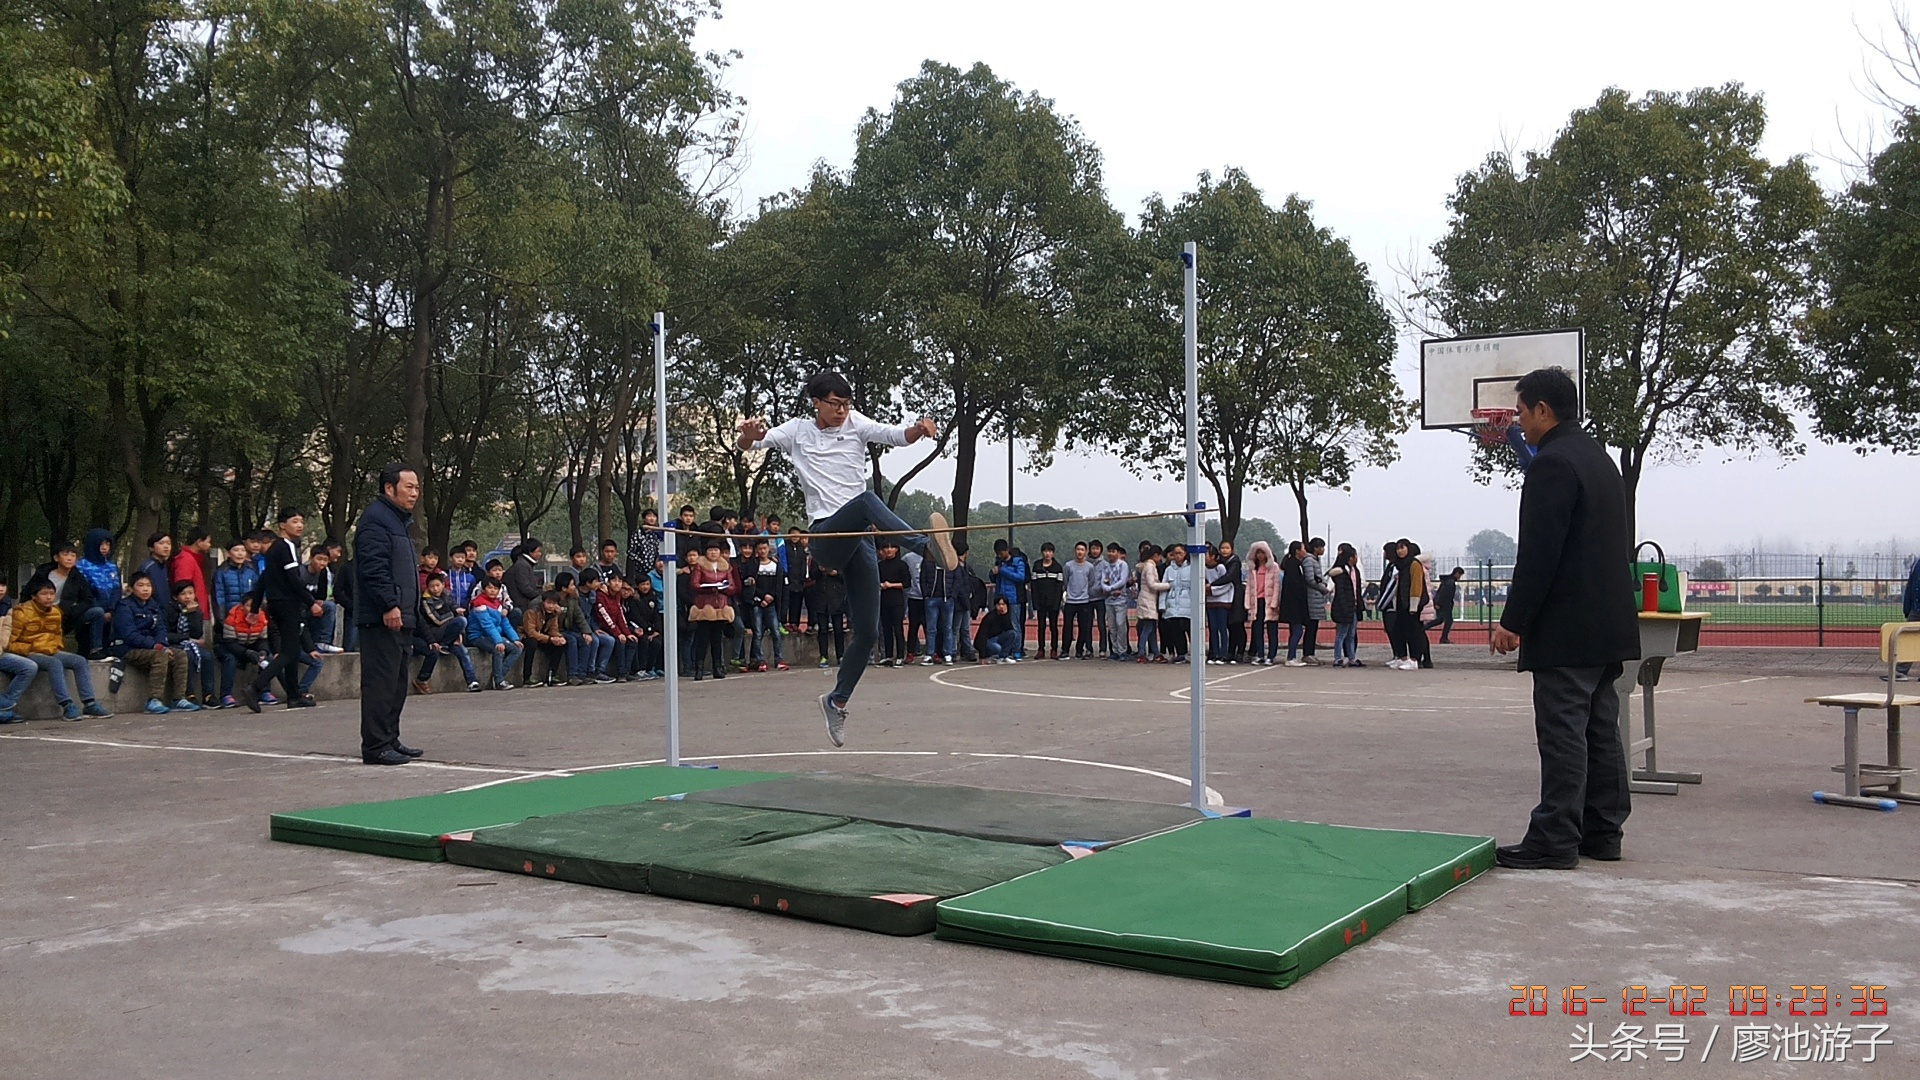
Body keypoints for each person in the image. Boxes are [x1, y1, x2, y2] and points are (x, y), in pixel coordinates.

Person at [737, 370, 957, 746]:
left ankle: (836, 700)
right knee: (869, 500)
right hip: (826, 534)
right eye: (835, 404)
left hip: (860, 541)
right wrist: (751, 434)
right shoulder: (796, 431)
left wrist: (919, 429)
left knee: (868, 631)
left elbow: (894, 435)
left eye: (846, 404)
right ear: (816, 403)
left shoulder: (856, 423)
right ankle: (925, 547)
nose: (842, 411)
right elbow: (750, 445)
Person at [1490, 367, 1639, 871]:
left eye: (1521, 412)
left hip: (1567, 629)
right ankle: (1603, 831)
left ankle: (1554, 837)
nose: (1519, 422)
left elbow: (1540, 552)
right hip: (1608, 625)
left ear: (1543, 411)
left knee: (1563, 732)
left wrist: (1514, 620)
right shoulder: (1599, 459)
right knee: (1601, 729)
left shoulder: (1551, 464)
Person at [353, 463, 426, 764]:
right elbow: (373, 568)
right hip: (382, 616)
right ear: (388, 488)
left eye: (417, 487)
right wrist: (389, 604)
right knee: (380, 683)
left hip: (402, 616)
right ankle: (375, 746)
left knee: (396, 684)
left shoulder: (397, 522)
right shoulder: (375, 521)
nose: (414, 493)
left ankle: (390, 738)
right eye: (408, 487)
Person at [243, 509, 324, 711]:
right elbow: (293, 580)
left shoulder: (274, 549)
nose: (300, 525)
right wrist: (310, 601)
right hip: (286, 603)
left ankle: (294, 695)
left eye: (301, 521)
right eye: (294, 521)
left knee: (293, 651)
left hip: (276, 603)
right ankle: (255, 687)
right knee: (289, 652)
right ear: (282, 526)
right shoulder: (285, 547)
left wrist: (254, 607)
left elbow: (264, 579)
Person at [9, 578, 111, 719]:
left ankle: (90, 703)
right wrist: (30, 648)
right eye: (44, 593)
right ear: (34, 596)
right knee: (54, 663)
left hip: (51, 651)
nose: (49, 597)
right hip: (30, 653)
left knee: (79, 661)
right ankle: (67, 705)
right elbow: (11, 643)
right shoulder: (21, 613)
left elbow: (57, 634)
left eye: (52, 593)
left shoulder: (55, 612)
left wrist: (56, 647)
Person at [112, 571, 196, 714]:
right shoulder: (124, 607)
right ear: (131, 588)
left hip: (152, 647)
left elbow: (160, 629)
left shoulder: (153, 605)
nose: (145, 589)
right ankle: (153, 700)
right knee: (160, 656)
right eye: (140, 585)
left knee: (180, 655)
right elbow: (130, 635)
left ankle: (178, 699)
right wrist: (156, 647)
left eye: (148, 585)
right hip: (127, 648)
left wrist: (162, 645)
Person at [413, 573, 479, 693]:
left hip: (448, 634)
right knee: (460, 620)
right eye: (432, 586)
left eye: (438, 585)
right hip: (434, 632)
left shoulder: (448, 595)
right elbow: (437, 620)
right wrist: (453, 616)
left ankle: (472, 681)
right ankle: (444, 644)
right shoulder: (425, 600)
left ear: (443, 585)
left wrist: (458, 633)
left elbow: (455, 608)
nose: (435, 589)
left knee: (462, 651)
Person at [37, 542, 102, 659]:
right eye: (66, 554)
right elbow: (28, 594)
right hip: (41, 615)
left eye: (73, 555)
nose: (69, 558)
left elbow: (88, 599)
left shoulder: (78, 577)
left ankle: (95, 650)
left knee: (97, 612)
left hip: (65, 617)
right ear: (56, 557)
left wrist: (72, 611)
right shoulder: (43, 573)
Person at [688, 535, 736, 681]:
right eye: (710, 550)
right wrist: (708, 588)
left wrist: (724, 589)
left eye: (716, 550)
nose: (713, 553)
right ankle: (699, 669)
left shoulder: (726, 566)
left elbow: (733, 585)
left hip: (720, 605)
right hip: (705, 606)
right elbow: (694, 584)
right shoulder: (700, 565)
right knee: (702, 639)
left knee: (717, 640)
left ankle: (717, 668)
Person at [1379, 539, 1431, 671]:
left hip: (1413, 604)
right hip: (1402, 604)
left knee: (1414, 632)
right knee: (1397, 630)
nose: (1400, 551)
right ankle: (1401, 657)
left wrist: (1414, 605)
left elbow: (1416, 585)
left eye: (1403, 548)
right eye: (1398, 548)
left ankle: (1414, 659)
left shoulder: (1414, 564)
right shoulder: (1401, 565)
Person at [166, 580, 218, 707]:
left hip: (190, 643)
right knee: (187, 656)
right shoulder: (169, 609)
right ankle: (189, 694)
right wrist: (186, 637)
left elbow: (197, 633)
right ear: (175, 597)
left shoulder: (196, 610)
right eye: (183, 594)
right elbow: (167, 633)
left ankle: (208, 695)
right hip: (174, 643)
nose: (188, 597)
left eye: (191, 593)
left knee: (207, 656)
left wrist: (192, 615)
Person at [466, 580, 522, 689]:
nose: (492, 591)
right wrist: (498, 641)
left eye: (495, 588)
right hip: (478, 636)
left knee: (517, 649)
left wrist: (515, 638)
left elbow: (505, 622)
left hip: (494, 635)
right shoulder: (479, 603)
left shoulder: (498, 604)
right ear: (484, 589)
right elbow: (487, 625)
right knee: (499, 649)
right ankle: (499, 681)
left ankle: (498, 676)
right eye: (489, 588)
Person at [76, 530, 124, 655]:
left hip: (110, 611)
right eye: (101, 544)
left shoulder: (112, 566)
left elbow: (117, 589)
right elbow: (84, 592)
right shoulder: (82, 566)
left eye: (107, 544)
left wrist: (112, 609)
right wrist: (99, 609)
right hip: (91, 611)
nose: (104, 548)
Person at [596, 572, 642, 680]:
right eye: (614, 581)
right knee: (620, 641)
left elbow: (620, 616)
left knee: (632, 640)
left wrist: (626, 633)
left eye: (619, 581)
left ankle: (626, 671)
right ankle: (621, 673)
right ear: (608, 582)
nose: (617, 584)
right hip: (604, 628)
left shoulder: (617, 596)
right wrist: (618, 633)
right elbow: (605, 617)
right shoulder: (601, 595)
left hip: (616, 628)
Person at [1328, 543, 1367, 668]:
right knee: (1342, 633)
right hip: (1344, 606)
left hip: (1354, 606)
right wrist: (1344, 607)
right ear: (1350, 557)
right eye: (1355, 556)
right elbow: (1341, 592)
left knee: (1351, 634)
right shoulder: (1340, 572)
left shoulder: (1355, 571)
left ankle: (1351, 657)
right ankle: (1337, 657)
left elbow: (1357, 590)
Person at [919, 544, 957, 666]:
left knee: (948, 628)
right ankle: (929, 654)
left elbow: (957, 578)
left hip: (947, 599)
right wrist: (926, 594)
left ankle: (948, 654)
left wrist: (952, 594)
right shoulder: (928, 562)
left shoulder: (950, 561)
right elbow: (922, 578)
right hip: (932, 598)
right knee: (931, 628)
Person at [168, 528, 214, 629]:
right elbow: (183, 587)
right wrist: (190, 610)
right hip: (192, 614)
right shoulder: (185, 560)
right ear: (199, 542)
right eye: (208, 542)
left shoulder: (192, 558)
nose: (209, 545)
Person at [989, 540, 1028, 659]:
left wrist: (1003, 571)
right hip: (1001, 598)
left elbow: (1020, 577)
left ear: (1007, 551)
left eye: (1001, 553)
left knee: (1015, 625)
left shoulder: (1018, 561)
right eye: (998, 554)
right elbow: (994, 579)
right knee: (1001, 625)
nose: (1000, 556)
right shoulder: (998, 562)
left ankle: (1017, 650)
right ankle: (1005, 650)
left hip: (1014, 597)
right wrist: (993, 573)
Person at [522, 591, 570, 686]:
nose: (551, 606)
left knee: (560, 645)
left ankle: (552, 675)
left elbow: (553, 629)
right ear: (543, 602)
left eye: (554, 603)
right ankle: (527, 677)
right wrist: (549, 639)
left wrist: (559, 638)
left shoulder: (553, 614)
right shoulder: (532, 611)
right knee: (532, 643)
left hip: (543, 636)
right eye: (549, 603)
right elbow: (530, 632)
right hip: (525, 636)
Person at [875, 540, 910, 668]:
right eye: (886, 547)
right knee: (886, 629)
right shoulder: (880, 565)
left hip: (897, 601)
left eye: (892, 547)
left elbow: (906, 583)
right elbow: (875, 581)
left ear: (896, 549)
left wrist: (891, 585)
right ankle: (888, 656)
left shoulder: (901, 565)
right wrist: (880, 585)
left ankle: (900, 655)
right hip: (884, 600)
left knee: (898, 628)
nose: (889, 550)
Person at [1246, 541, 1282, 665]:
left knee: (1272, 630)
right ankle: (1260, 654)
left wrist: (1274, 602)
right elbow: (1249, 587)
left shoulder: (1274, 567)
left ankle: (1271, 656)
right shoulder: (1252, 569)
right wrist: (1248, 603)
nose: (1260, 555)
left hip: (1269, 602)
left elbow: (1277, 586)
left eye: (1262, 552)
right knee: (1257, 629)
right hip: (1257, 602)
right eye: (1258, 553)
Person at [807, 559, 847, 668]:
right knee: (822, 630)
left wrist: (835, 573)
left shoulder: (838, 558)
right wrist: (820, 570)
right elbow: (812, 575)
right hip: (821, 598)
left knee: (838, 630)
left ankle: (841, 655)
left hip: (836, 598)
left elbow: (845, 577)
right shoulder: (817, 558)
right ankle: (823, 656)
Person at [1029, 543, 1065, 660]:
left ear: (1053, 553)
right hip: (1041, 602)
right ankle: (1041, 649)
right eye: (1045, 551)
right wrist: (1035, 602)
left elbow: (1059, 587)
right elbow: (1033, 586)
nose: (1047, 553)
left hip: (1053, 602)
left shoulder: (1057, 567)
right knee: (1041, 627)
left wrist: (1056, 603)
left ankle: (1054, 649)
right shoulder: (1037, 566)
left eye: (1049, 551)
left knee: (1053, 627)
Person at [623, 573, 664, 679]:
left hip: (651, 629)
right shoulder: (633, 600)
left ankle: (651, 668)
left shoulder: (652, 597)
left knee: (657, 642)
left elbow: (656, 615)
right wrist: (648, 630)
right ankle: (641, 669)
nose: (645, 587)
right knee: (644, 641)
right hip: (638, 628)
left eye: (647, 584)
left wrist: (657, 630)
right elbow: (636, 616)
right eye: (642, 584)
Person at [1062, 541, 1097, 659]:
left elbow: (1091, 582)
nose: (1080, 552)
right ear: (1074, 551)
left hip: (1084, 601)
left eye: (1082, 550)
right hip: (1071, 601)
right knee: (1067, 626)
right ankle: (1065, 650)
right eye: (1078, 549)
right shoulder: (1068, 566)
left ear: (1086, 552)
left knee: (1084, 627)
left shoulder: (1089, 567)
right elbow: (1065, 581)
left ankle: (1079, 649)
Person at [1134, 543, 1168, 663]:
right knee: (1147, 628)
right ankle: (1141, 652)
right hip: (1147, 599)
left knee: (1152, 628)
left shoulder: (1148, 566)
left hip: (1149, 599)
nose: (1160, 560)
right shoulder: (1149, 566)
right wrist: (1168, 585)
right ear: (1155, 555)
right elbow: (1152, 584)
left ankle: (1156, 652)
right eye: (1160, 557)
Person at [1096, 542, 1131, 660]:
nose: (1110, 553)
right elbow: (1102, 581)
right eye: (1109, 551)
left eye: (1113, 551)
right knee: (1112, 627)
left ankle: (1123, 651)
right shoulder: (1105, 566)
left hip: (1120, 600)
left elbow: (1123, 580)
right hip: (1109, 600)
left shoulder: (1123, 565)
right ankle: (1115, 651)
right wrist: (1108, 590)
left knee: (1121, 625)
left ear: (1118, 553)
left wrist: (1110, 588)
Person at [1159, 542, 1193, 663]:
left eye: (1180, 553)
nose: (1177, 556)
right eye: (1175, 554)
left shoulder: (1192, 567)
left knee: (1190, 630)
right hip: (1172, 605)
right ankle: (1181, 654)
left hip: (1188, 605)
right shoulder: (1169, 569)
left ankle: (1194, 653)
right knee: (1176, 631)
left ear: (1185, 554)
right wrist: (1162, 605)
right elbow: (1164, 588)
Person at [1302, 538, 1331, 664]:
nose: (1323, 550)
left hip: (1316, 597)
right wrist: (1322, 588)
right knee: (1311, 626)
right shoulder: (1309, 560)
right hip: (1312, 597)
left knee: (1314, 626)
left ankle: (1310, 652)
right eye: (1321, 547)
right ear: (1315, 548)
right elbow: (1310, 578)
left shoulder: (1315, 560)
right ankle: (1307, 653)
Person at [1204, 546, 1232, 664]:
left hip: (1222, 601)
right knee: (1213, 628)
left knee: (1222, 628)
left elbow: (1226, 584)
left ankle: (1223, 653)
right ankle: (1214, 653)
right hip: (1210, 602)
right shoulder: (1203, 568)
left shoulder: (1220, 568)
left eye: (1206, 555)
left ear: (1213, 556)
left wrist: (1212, 589)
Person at [973, 596, 1021, 663]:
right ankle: (990, 656)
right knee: (997, 648)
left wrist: (1005, 616)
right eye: (999, 604)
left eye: (1003, 604)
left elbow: (1009, 629)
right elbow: (982, 636)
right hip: (988, 640)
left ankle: (1003, 656)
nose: (1001, 606)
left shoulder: (1007, 615)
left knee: (1012, 634)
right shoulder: (990, 617)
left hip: (998, 637)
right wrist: (982, 656)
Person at [505, 538, 544, 613]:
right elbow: (525, 589)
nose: (540, 554)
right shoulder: (522, 565)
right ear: (530, 551)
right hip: (521, 606)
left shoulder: (525, 564)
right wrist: (542, 594)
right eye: (538, 551)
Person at [1429, 566, 1464, 644]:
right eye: (1460, 575)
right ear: (1457, 573)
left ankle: (1442, 637)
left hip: (1444, 604)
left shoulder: (1447, 581)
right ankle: (1443, 638)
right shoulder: (1450, 582)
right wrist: (1438, 603)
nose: (1460, 577)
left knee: (1440, 620)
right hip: (1444, 605)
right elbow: (1443, 594)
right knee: (1447, 621)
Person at [138, 532, 174, 603]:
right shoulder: (147, 567)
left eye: (168, 543)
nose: (166, 546)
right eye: (161, 543)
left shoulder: (168, 566)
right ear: (151, 548)